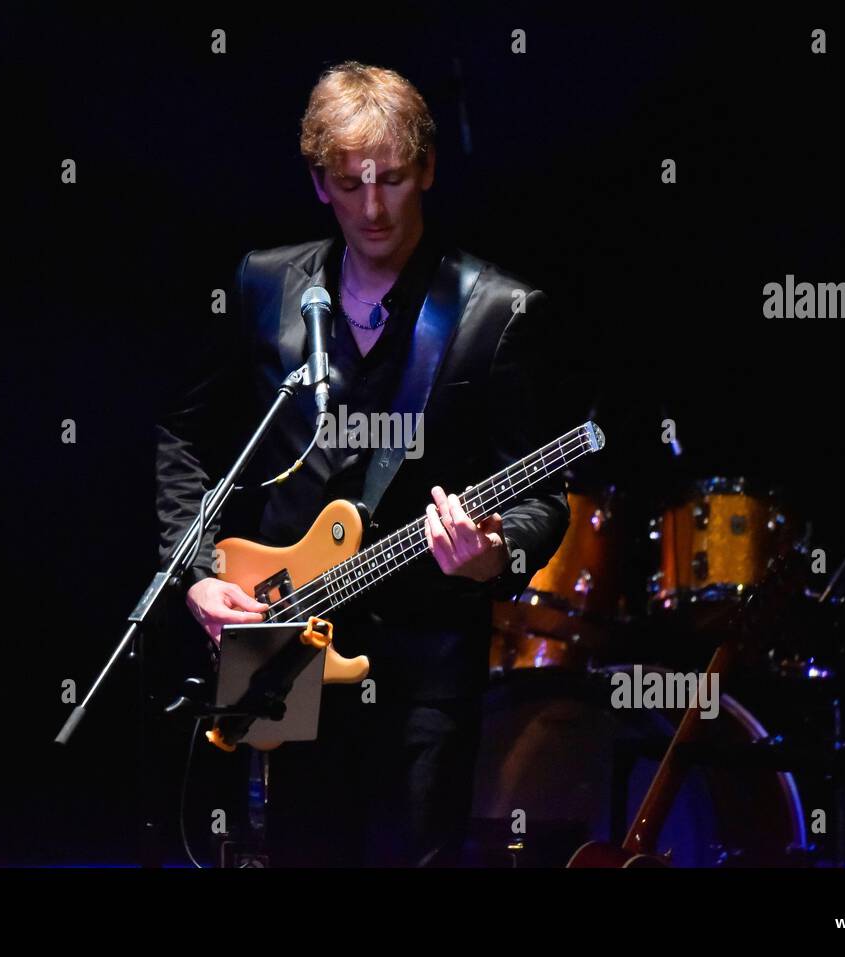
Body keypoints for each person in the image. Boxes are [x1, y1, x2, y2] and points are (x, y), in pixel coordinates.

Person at [155, 61, 570, 866]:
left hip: (425, 673)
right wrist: (198, 570)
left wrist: (493, 553)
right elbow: (184, 432)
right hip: (284, 644)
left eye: (393, 180)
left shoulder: (496, 312)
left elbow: (542, 494)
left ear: (429, 170)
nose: (373, 208)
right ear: (319, 182)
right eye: (350, 184)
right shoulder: (267, 285)